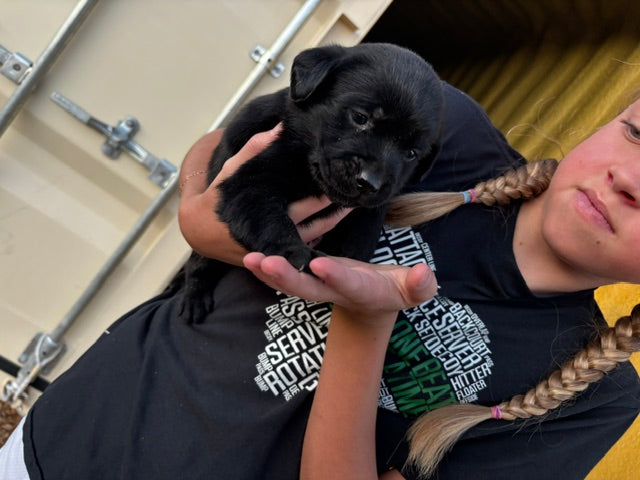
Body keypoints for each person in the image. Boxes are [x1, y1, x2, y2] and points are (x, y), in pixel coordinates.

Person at [1, 75, 640, 480]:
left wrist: (367, 321)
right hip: (61, 442)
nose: (628, 179)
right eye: (635, 133)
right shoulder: (445, 129)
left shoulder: (596, 397)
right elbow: (224, 146)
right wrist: (203, 218)